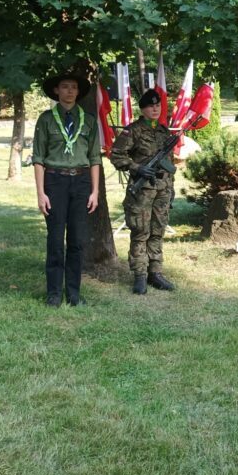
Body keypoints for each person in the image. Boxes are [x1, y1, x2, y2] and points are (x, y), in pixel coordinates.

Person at [31, 71, 101, 306]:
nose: (69, 91)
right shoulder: (46, 119)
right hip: (55, 181)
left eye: (73, 87)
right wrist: (41, 193)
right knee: (54, 239)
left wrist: (95, 191)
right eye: (64, 87)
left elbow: (94, 159)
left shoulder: (89, 121)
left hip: (81, 183)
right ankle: (53, 293)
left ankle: (73, 293)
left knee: (77, 240)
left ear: (78, 92)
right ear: (56, 91)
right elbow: (39, 158)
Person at [109, 90, 177, 294]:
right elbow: (116, 155)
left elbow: (170, 164)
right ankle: (139, 275)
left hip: (162, 190)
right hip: (142, 191)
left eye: (158, 106)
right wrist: (137, 167)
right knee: (140, 231)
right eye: (150, 106)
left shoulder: (165, 132)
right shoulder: (133, 131)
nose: (155, 109)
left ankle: (155, 272)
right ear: (143, 109)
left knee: (158, 230)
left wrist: (171, 189)